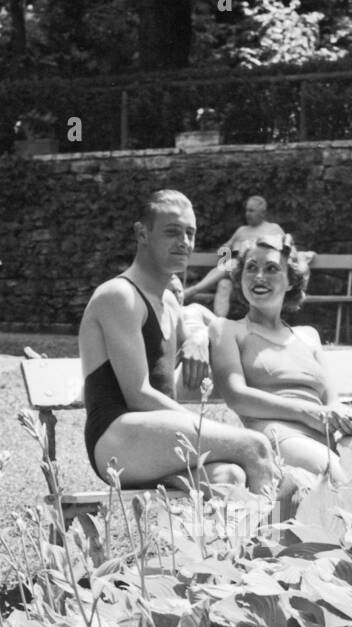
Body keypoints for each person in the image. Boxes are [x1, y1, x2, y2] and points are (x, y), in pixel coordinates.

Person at [78, 189, 279, 493]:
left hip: (156, 439)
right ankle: (271, 539)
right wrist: (210, 428)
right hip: (117, 436)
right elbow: (138, 394)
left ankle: (227, 540)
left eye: (190, 233)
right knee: (256, 446)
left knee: (228, 480)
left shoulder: (171, 304)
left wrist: (198, 334)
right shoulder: (120, 296)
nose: (184, 241)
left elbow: (208, 322)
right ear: (142, 233)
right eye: (172, 232)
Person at [208, 234, 352, 486]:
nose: (259, 276)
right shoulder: (227, 329)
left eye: (271, 268)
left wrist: (345, 416)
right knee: (338, 477)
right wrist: (308, 413)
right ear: (240, 278)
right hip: (277, 433)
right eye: (250, 268)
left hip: (328, 430)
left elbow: (332, 399)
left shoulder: (309, 336)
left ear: (291, 281)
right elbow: (236, 396)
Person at [183, 194, 286, 317]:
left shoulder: (274, 229)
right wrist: (224, 258)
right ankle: (219, 323)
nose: (247, 214)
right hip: (239, 273)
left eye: (251, 211)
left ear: (262, 213)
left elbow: (286, 251)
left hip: (262, 273)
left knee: (232, 264)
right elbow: (224, 249)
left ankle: (193, 290)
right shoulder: (242, 230)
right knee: (224, 284)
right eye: (247, 210)